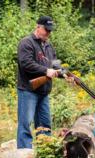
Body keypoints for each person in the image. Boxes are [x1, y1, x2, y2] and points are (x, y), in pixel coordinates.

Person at [17, 16, 73, 148]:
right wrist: (45, 70)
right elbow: (26, 63)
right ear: (38, 27)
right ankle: (24, 156)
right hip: (28, 91)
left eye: (50, 30)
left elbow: (54, 65)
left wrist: (64, 75)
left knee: (45, 126)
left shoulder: (48, 45)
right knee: (26, 125)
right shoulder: (26, 42)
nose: (48, 33)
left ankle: (44, 153)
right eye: (46, 30)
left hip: (44, 91)